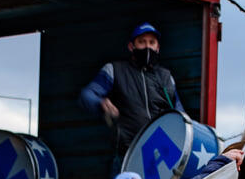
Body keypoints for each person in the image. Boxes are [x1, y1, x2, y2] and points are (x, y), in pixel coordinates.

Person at [78, 22, 183, 169]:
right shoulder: (114, 70)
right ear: (131, 46)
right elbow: (87, 95)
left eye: (151, 43)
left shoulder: (167, 77)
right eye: (141, 42)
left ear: (157, 47)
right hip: (128, 155)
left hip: (162, 156)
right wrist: (100, 103)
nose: (147, 47)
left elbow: (180, 114)